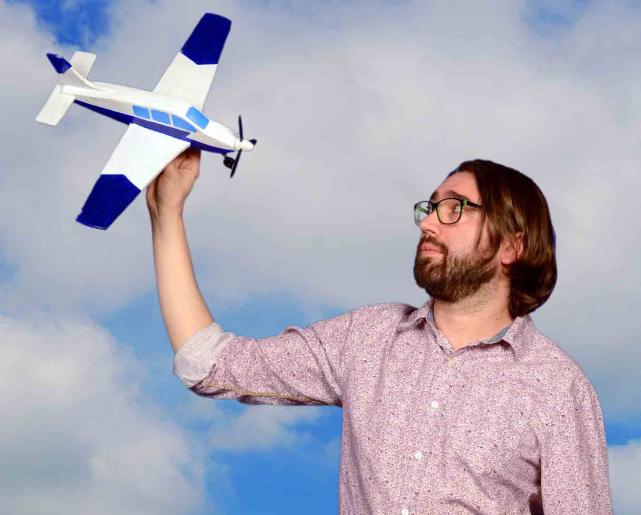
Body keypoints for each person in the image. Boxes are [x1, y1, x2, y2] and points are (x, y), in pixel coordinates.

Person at [148, 149, 614, 515]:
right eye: (429, 209)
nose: (429, 223)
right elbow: (208, 363)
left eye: (454, 209)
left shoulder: (558, 388)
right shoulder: (368, 339)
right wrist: (166, 214)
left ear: (512, 245)